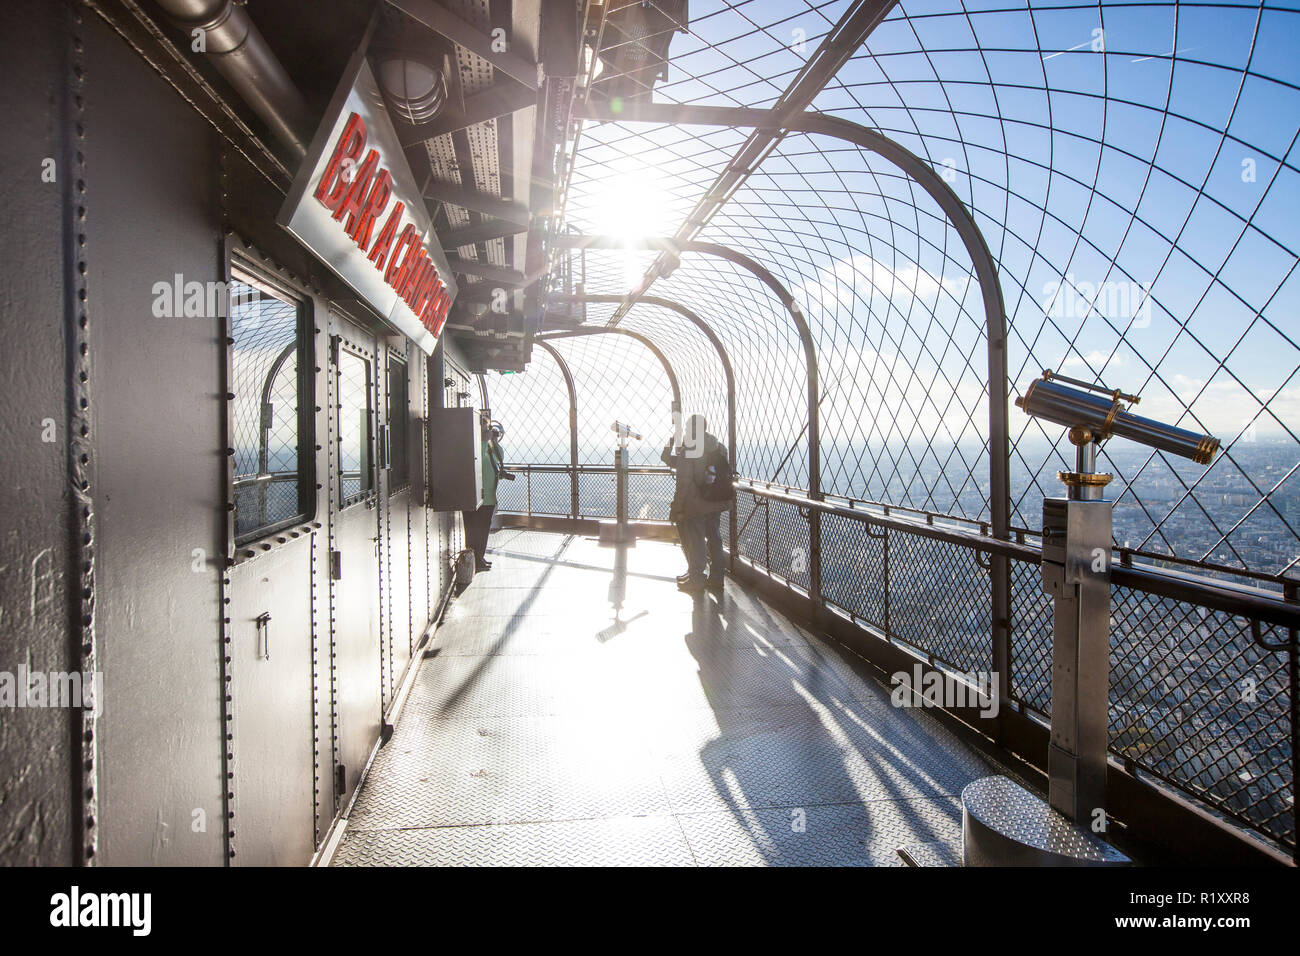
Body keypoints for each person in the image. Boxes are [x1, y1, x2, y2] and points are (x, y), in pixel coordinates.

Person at [663, 413, 732, 595]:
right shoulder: (719, 447)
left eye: (686, 428)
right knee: (714, 538)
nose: (685, 431)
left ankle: (696, 579)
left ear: (693, 430)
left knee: (696, 541)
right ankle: (717, 577)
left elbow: (684, 482)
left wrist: (676, 507)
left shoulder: (689, 450)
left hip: (696, 504)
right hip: (715, 501)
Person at [462, 412, 507, 571]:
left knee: (482, 530)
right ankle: (475, 559)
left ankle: (479, 557)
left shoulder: (491, 447)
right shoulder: (474, 446)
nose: (487, 431)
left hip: (488, 497)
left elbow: (500, 457)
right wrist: (485, 441)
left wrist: (493, 441)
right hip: (473, 497)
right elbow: (477, 460)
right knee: (473, 530)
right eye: (485, 428)